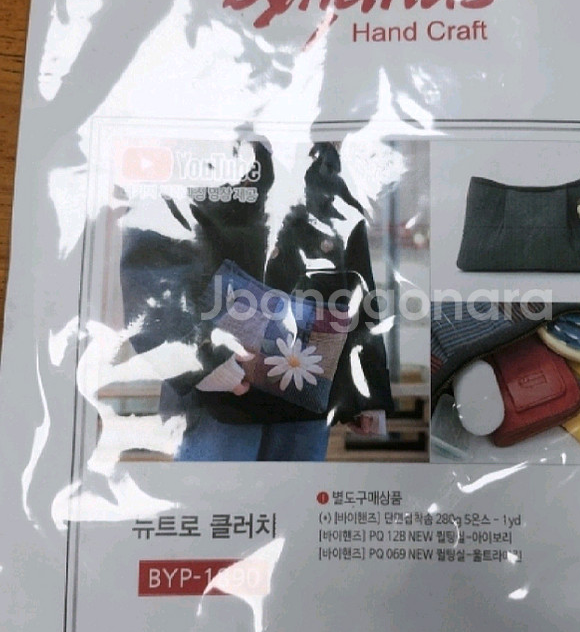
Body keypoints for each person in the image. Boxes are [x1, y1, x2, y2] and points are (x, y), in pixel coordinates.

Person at [120, 140, 393, 461]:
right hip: (219, 392)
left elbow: (354, 263)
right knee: (218, 491)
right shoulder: (197, 136)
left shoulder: (322, 151)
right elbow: (149, 255)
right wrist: (204, 362)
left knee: (293, 494)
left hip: (309, 386)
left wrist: (364, 387)